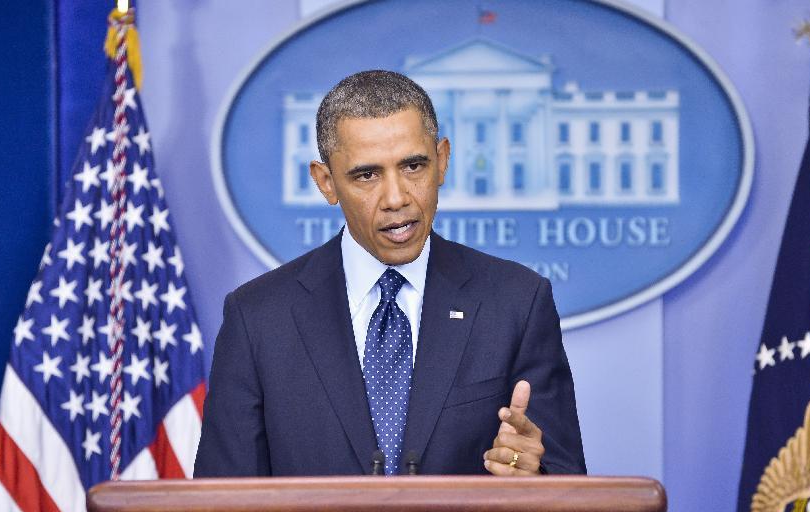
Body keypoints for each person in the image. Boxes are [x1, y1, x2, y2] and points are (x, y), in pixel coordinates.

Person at [194, 70, 586, 477]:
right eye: (367, 175)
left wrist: (531, 478)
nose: (397, 198)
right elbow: (222, 510)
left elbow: (569, 491)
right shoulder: (258, 318)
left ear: (443, 162)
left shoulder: (516, 303)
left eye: (414, 166)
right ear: (326, 183)